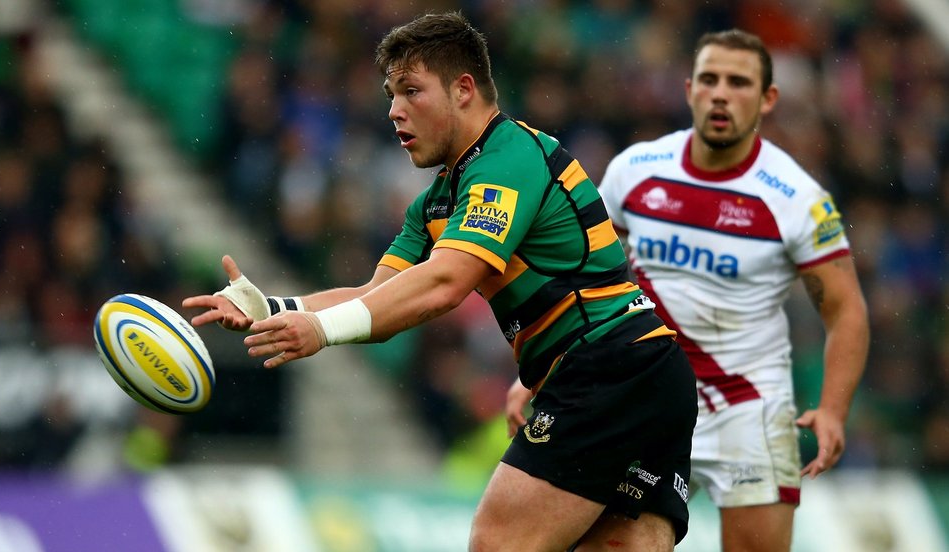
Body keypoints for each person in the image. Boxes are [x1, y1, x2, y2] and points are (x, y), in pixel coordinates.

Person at [183, 11, 698, 552]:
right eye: (390, 94)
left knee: (498, 544)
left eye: (411, 91)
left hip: (610, 367)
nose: (394, 111)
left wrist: (320, 330)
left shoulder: (508, 157)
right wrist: (273, 305)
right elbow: (375, 299)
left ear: (464, 89)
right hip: (643, 376)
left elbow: (447, 283)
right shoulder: (434, 203)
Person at [514, 28, 869, 551]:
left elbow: (847, 311)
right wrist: (537, 375)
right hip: (644, 392)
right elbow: (583, 280)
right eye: (709, 79)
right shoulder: (634, 171)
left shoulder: (798, 199)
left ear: (768, 98)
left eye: (739, 82)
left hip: (747, 408)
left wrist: (834, 409)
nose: (721, 93)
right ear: (688, 89)